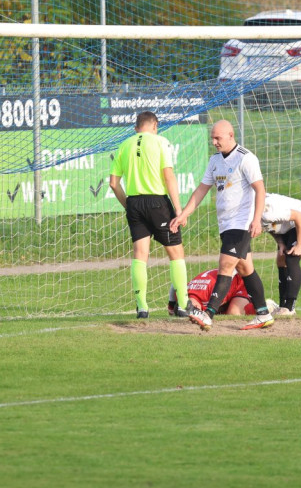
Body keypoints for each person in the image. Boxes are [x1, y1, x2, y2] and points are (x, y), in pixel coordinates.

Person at [169, 119, 272, 331]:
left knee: (226, 265)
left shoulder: (246, 158)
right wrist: (184, 214)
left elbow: (260, 190)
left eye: (218, 138)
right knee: (245, 268)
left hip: (241, 223)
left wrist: (256, 219)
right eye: (212, 138)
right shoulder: (215, 160)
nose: (214, 142)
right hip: (225, 224)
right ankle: (263, 313)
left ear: (231, 135)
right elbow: (201, 190)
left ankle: (208, 314)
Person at [109, 111, 190, 319]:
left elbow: (113, 183)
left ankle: (142, 307)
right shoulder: (160, 141)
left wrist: (127, 204)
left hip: (134, 203)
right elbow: (169, 176)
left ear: (136, 128)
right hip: (157, 202)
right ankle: (182, 305)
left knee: (140, 255)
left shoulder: (124, 145)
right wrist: (179, 211)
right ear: (155, 126)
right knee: (176, 253)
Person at [261, 192, 301, 315]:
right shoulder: (250, 213)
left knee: (292, 258)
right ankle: (282, 306)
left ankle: (290, 307)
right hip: (287, 226)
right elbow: (268, 227)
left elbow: (299, 216)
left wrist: (300, 245)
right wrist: (280, 243)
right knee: (281, 259)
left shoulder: (268, 210)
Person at [168, 268, 277, 317]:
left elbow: (224, 282)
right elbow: (175, 284)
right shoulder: (182, 295)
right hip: (224, 288)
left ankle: (268, 306)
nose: (196, 313)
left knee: (234, 313)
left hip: (238, 282)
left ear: (192, 305)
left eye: (194, 310)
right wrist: (171, 307)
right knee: (218, 311)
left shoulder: (206, 295)